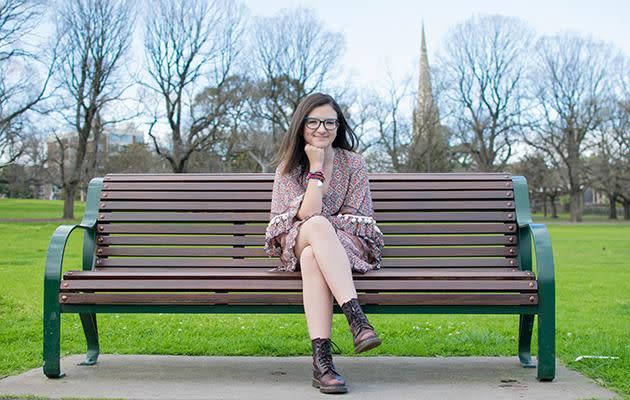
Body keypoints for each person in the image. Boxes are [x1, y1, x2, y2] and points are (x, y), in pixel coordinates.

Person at [264, 93, 385, 394]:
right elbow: (305, 215)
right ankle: (357, 320)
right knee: (316, 225)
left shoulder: (353, 164)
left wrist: (323, 226)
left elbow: (357, 217)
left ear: (339, 125)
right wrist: (316, 168)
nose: (322, 128)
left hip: (345, 244)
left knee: (312, 257)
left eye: (330, 122)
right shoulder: (289, 168)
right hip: (300, 236)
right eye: (314, 122)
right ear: (301, 126)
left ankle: (323, 366)